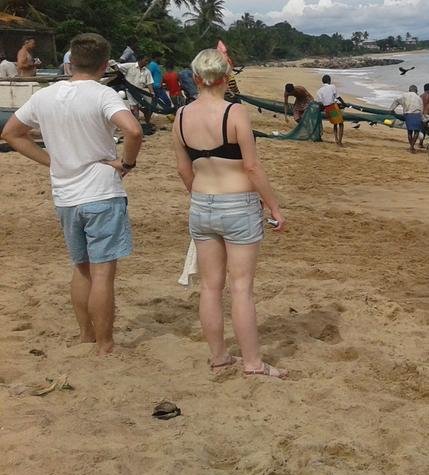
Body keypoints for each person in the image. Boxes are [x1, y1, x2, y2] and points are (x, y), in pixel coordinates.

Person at [1, 33, 142, 355]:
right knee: (103, 273)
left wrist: (51, 161)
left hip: (65, 195)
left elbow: (11, 134)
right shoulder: (102, 94)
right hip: (101, 192)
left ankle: (85, 336)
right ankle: (105, 344)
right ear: (105, 65)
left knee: (81, 269)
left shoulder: (46, 96)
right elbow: (133, 130)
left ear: (70, 62)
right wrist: (127, 164)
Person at [171, 48, 287, 378]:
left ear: (194, 79)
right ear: (226, 78)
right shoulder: (234, 113)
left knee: (210, 287)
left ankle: (220, 357)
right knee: (240, 288)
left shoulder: (180, 117)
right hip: (237, 204)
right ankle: (252, 363)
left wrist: (201, 196)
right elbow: (251, 166)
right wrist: (274, 206)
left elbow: (183, 169)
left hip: (201, 203)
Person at [115, 56, 155, 125]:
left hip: (141, 92)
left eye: (148, 61)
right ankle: (136, 123)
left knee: (148, 108)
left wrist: (152, 92)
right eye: (145, 60)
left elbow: (149, 83)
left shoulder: (147, 71)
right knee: (135, 109)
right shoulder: (130, 66)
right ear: (140, 59)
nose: (147, 62)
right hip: (130, 91)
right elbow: (117, 67)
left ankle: (147, 122)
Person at [390, 85, 423, 153]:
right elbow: (421, 109)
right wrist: (421, 117)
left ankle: (411, 146)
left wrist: (392, 109)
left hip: (408, 115)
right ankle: (412, 147)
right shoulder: (419, 97)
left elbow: (396, 99)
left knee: (409, 132)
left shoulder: (404, 95)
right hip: (417, 115)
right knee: (416, 132)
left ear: (409, 90)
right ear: (416, 91)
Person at [316, 74, 346, 147]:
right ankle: (339, 141)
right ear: (329, 80)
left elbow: (320, 102)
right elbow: (338, 97)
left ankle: (336, 139)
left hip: (327, 109)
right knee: (341, 124)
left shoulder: (319, 90)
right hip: (333, 107)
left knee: (335, 123)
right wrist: (343, 103)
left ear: (323, 81)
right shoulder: (332, 86)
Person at [418, 83, 429, 148]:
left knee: (422, 129)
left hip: (421, 114)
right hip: (428, 115)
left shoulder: (420, 96)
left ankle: (420, 143)